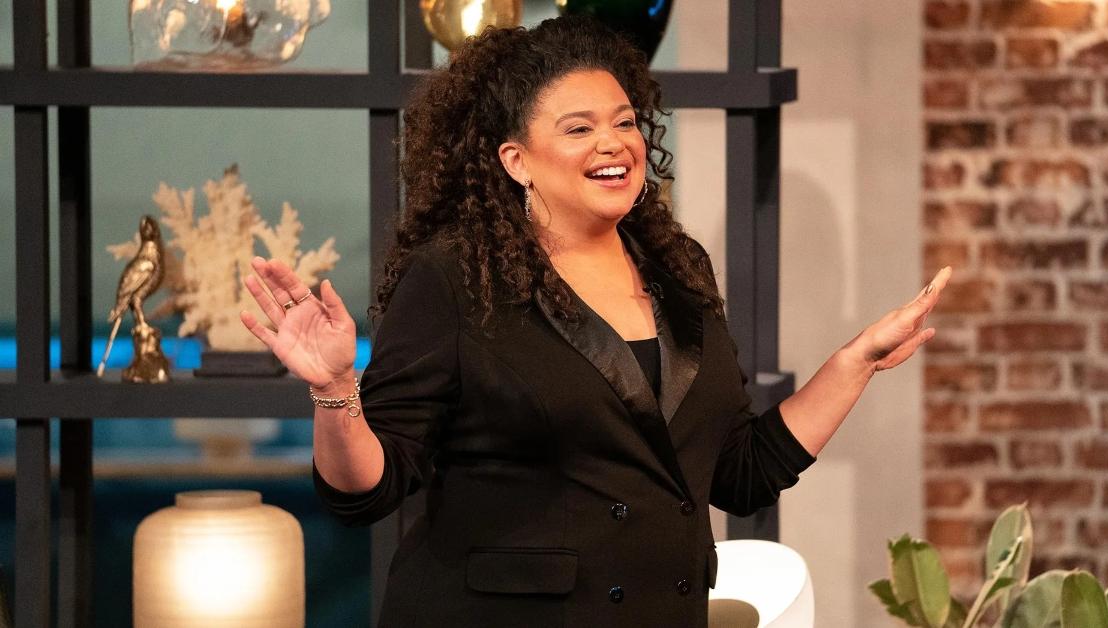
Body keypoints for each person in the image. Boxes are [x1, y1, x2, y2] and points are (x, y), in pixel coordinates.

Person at [240, 16, 952, 628]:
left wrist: (852, 364)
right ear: (515, 160)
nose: (614, 144)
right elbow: (369, 490)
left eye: (624, 123)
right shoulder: (454, 277)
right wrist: (335, 388)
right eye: (579, 128)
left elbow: (738, 473)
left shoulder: (677, 267)